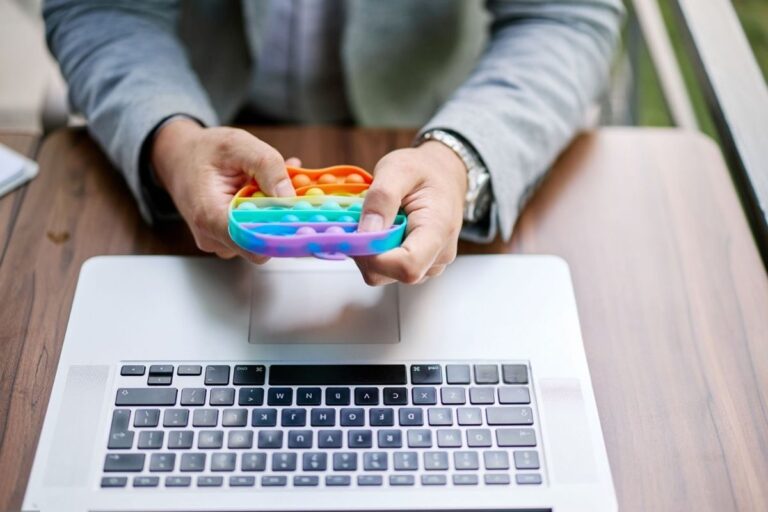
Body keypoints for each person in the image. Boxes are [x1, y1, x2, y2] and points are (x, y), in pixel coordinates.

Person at [44, 0, 623, 285]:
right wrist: (171, 142)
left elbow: (565, 15)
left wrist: (458, 157)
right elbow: (99, 7)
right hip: (196, 108)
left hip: (435, 123)